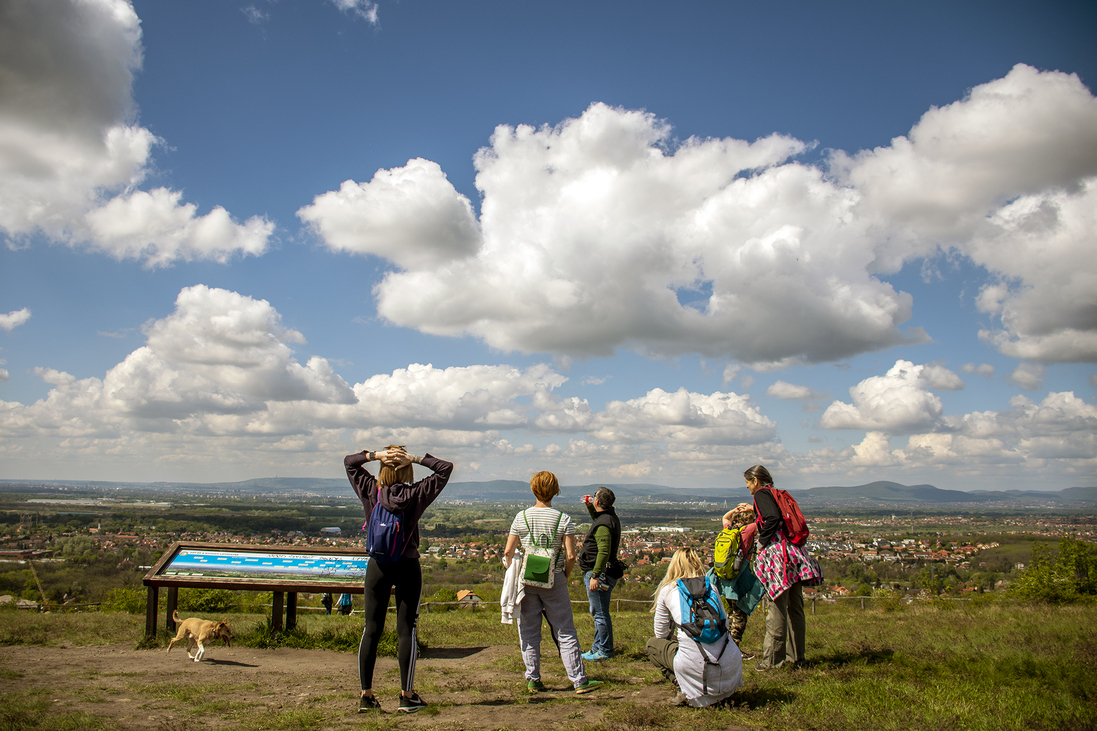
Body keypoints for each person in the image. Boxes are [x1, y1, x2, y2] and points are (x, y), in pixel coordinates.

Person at [345, 445, 453, 714]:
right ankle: (406, 695)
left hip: (378, 565)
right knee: (406, 630)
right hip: (407, 564)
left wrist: (375, 456)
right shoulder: (416, 494)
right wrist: (416, 457)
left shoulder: (371, 490)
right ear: (408, 469)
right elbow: (446, 468)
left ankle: (366, 696)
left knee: (371, 628)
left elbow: (349, 463)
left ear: (382, 469)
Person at [503, 471, 603, 695]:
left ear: (533, 490)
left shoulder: (521, 517)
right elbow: (570, 556)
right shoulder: (563, 519)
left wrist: (512, 569)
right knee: (564, 628)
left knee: (528, 629)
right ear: (556, 491)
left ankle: (533, 678)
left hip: (526, 578)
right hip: (555, 576)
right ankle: (578, 680)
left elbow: (508, 551)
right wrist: (563, 576)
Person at [744, 464, 823, 671]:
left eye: (747, 482)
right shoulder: (775, 494)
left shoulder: (761, 494)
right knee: (795, 608)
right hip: (793, 554)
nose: (747, 487)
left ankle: (772, 661)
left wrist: (761, 543)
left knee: (777, 607)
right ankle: (798, 657)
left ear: (756, 481)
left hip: (778, 558)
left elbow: (772, 518)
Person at [646, 547, 743, 707]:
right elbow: (724, 624)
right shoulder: (712, 588)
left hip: (699, 670)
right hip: (730, 672)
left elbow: (660, 634)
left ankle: (682, 687)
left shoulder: (669, 590)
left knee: (652, 645)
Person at [578, 486, 622, 662]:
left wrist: (595, 575)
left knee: (600, 613)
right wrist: (590, 506)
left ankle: (604, 650)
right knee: (598, 611)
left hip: (599, 574)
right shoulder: (608, 518)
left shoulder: (604, 523)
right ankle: (597, 647)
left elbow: (603, 552)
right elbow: (598, 518)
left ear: (597, 501)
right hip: (602, 572)